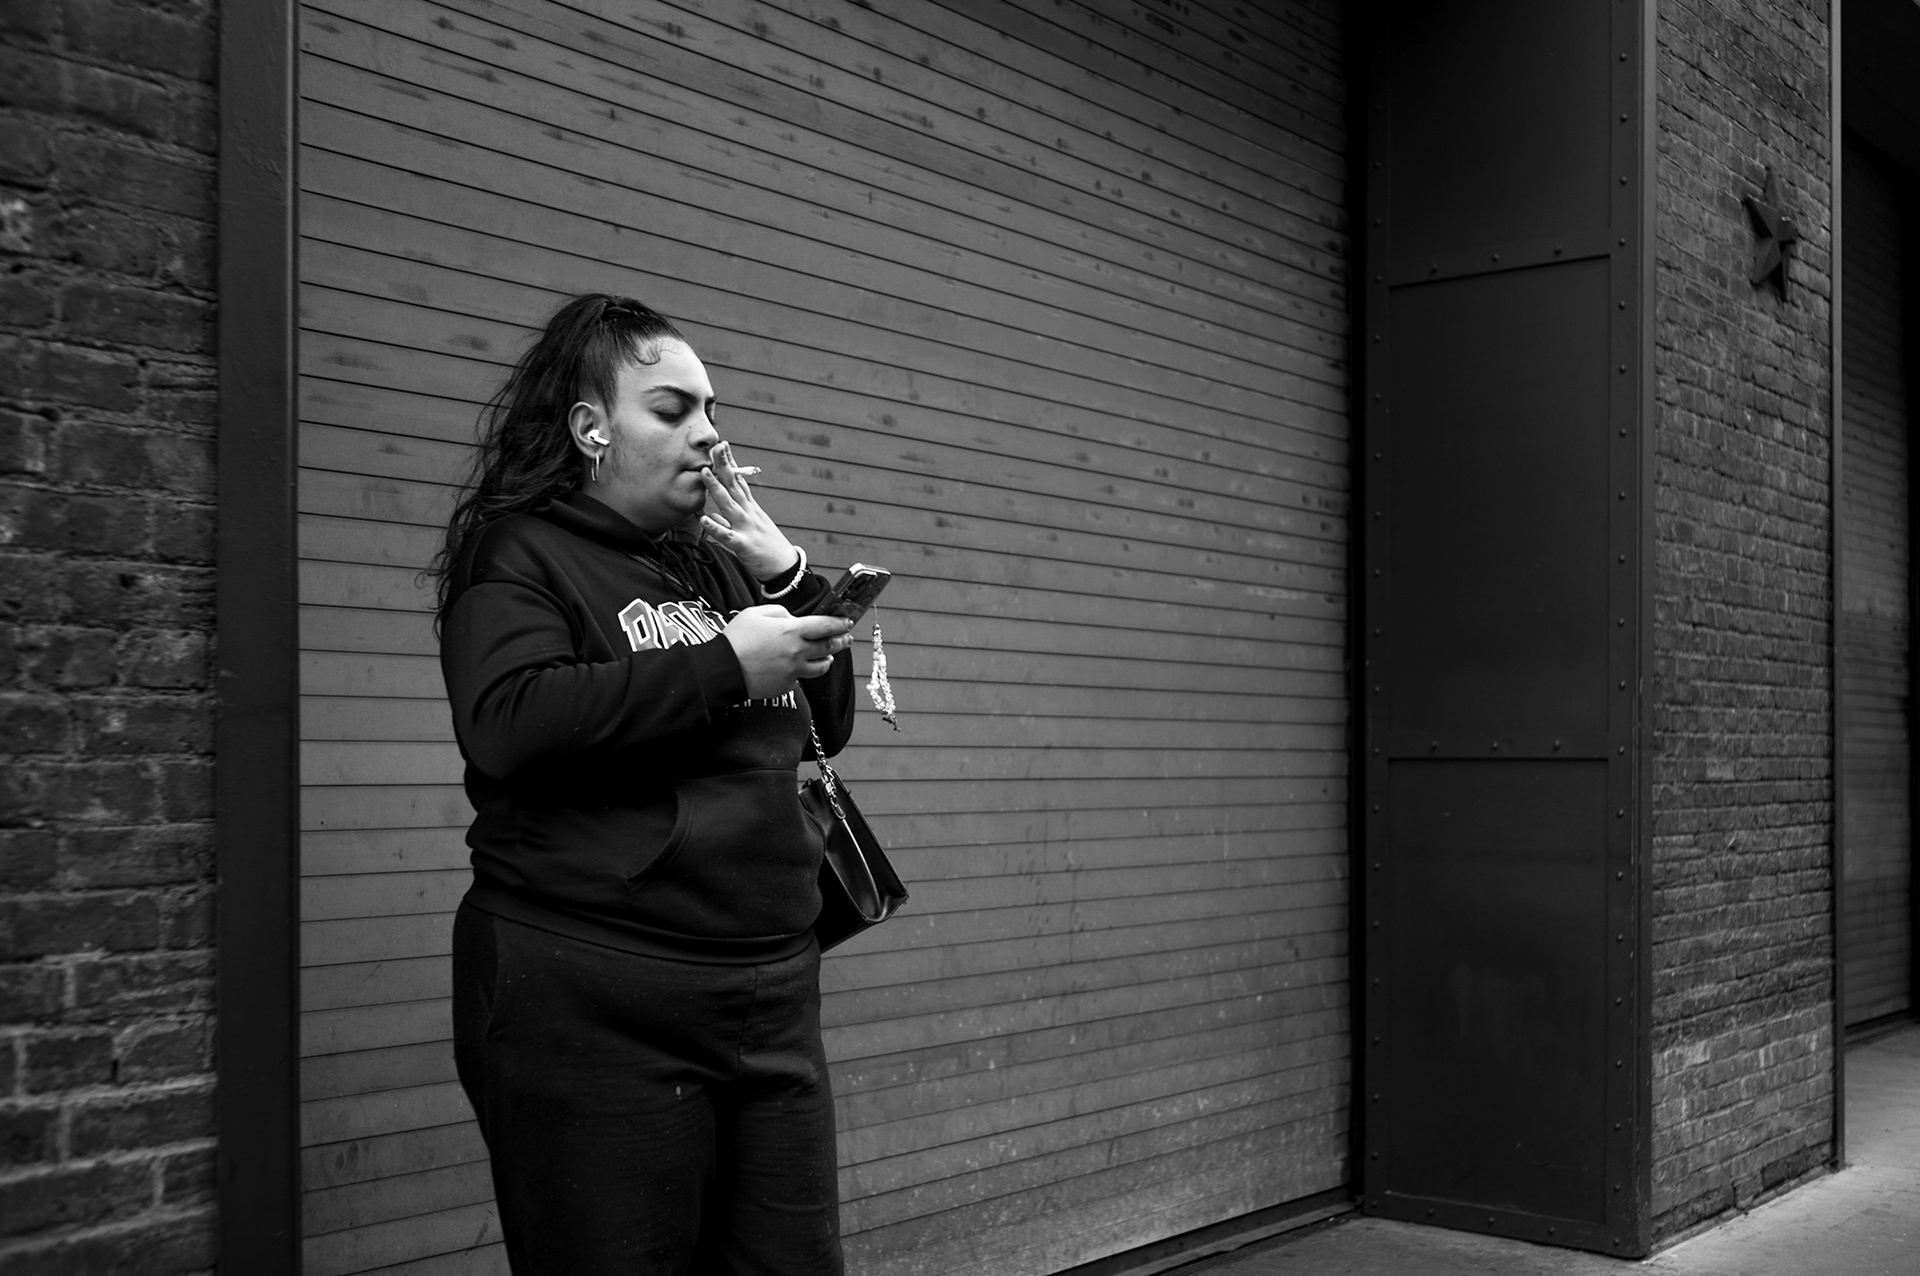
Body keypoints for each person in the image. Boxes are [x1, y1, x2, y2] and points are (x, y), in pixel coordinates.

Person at [431, 294, 856, 1274]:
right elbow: (508, 722)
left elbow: (822, 731)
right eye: (672, 410)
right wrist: (723, 666)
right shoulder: (521, 552)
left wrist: (787, 575)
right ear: (591, 429)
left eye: (710, 410)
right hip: (595, 1000)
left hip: (770, 997)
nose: (707, 433)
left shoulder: (715, 568)